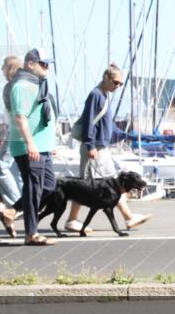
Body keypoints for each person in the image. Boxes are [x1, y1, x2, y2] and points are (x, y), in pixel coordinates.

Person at [64, 64, 152, 234]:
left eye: (120, 84)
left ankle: (128, 217)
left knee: (113, 182)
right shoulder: (96, 95)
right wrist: (90, 145)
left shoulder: (104, 94)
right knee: (87, 184)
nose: (118, 86)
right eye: (116, 82)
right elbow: (90, 121)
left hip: (100, 146)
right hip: (95, 147)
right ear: (106, 78)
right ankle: (72, 220)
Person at [0, 48, 58, 246]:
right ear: (30, 64)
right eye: (43, 64)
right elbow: (20, 117)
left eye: (48, 64)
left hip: (42, 145)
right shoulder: (21, 86)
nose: (47, 68)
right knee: (34, 189)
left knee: (49, 185)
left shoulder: (37, 84)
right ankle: (31, 233)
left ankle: (12, 210)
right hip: (29, 146)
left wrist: (50, 143)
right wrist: (30, 143)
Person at [0, 56, 24, 210]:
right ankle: (25, 202)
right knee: (16, 168)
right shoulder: (23, 84)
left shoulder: (10, 86)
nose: (1, 68)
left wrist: (7, 133)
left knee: (1, 166)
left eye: (3, 65)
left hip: (16, 131)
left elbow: (14, 113)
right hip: (21, 131)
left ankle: (16, 205)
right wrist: (1, 127)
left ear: (10, 67)